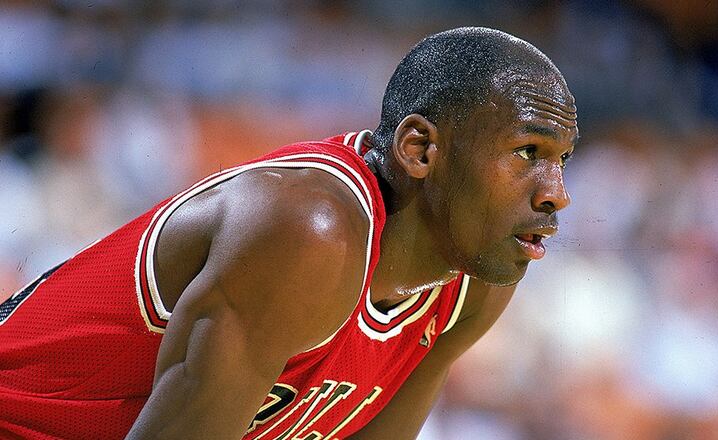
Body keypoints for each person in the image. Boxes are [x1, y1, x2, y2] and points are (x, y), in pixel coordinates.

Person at [0, 27, 578, 439]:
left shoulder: (476, 278)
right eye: (528, 152)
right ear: (419, 150)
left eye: (562, 160)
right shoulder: (310, 231)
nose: (556, 192)